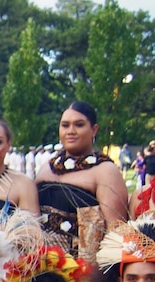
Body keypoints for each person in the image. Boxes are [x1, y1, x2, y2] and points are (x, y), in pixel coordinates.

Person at [35, 101, 128, 264]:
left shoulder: (105, 171)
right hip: (39, 265)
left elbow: (116, 231)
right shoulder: (46, 168)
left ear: (94, 130)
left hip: (83, 270)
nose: (71, 131)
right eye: (65, 125)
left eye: (79, 125)